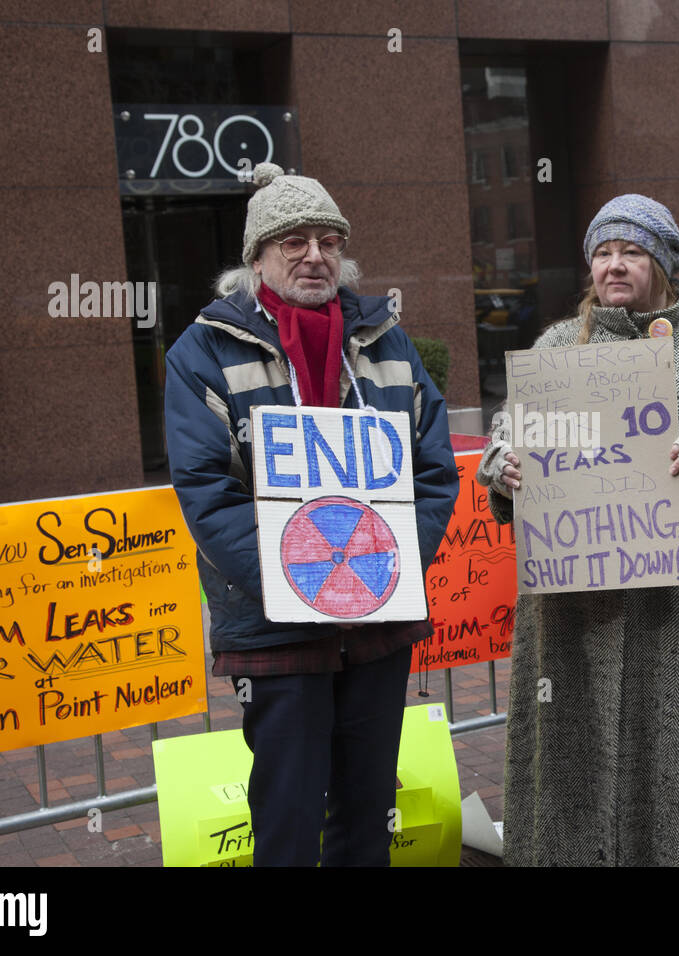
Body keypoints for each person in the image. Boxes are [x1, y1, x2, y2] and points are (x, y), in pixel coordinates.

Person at [476, 195, 679, 865]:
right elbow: (513, 445)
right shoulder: (559, 346)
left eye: (632, 252)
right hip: (571, 613)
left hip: (674, 609)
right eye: (603, 252)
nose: (614, 265)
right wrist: (500, 469)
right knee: (573, 752)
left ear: (665, 263)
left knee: (672, 753)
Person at [163, 163, 459, 866]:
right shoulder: (201, 352)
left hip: (379, 624)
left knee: (366, 817)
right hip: (276, 629)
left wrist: (379, 570)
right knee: (289, 823)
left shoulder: (388, 341)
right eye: (293, 240)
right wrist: (303, 579)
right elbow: (207, 491)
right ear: (257, 257)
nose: (314, 255)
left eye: (328, 239)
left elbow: (434, 471)